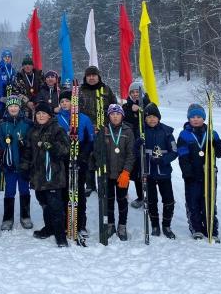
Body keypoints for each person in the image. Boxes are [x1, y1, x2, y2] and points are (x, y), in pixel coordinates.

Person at [20, 101, 70, 247]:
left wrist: (51, 145)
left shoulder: (57, 129)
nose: (41, 116)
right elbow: (28, 151)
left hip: (53, 175)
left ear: (49, 115)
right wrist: (24, 167)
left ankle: (60, 235)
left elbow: (65, 149)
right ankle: (49, 228)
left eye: (44, 114)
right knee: (44, 203)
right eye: (39, 113)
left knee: (55, 206)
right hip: (38, 175)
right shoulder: (33, 131)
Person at [177, 103, 221, 241]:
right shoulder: (184, 135)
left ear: (204, 118)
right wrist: (187, 172)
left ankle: (211, 229)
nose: (196, 119)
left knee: (209, 202)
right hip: (192, 175)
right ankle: (196, 228)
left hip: (209, 174)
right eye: (192, 117)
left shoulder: (212, 133)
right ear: (188, 118)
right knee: (193, 201)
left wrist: (217, 145)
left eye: (199, 116)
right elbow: (183, 156)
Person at [89, 104, 135, 241]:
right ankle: (110, 224)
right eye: (112, 114)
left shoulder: (127, 131)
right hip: (106, 174)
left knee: (122, 200)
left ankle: (122, 225)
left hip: (122, 174)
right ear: (108, 116)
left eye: (118, 114)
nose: (115, 116)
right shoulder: (103, 131)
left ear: (122, 115)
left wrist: (126, 172)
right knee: (108, 200)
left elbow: (131, 154)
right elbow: (96, 152)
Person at [56, 90, 95, 238]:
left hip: (79, 160)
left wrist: (83, 156)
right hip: (63, 161)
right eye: (62, 101)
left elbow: (90, 140)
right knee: (65, 191)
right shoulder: (56, 118)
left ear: (74, 102)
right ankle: (67, 222)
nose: (65, 103)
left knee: (78, 191)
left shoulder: (83, 118)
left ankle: (81, 224)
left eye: (67, 101)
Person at [78, 66, 117, 196]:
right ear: (85, 77)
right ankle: (89, 185)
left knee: (102, 157)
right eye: (89, 75)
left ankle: (103, 184)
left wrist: (108, 124)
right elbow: (75, 111)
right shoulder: (79, 91)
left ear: (98, 76)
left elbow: (114, 109)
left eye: (94, 75)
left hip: (103, 129)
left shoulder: (106, 90)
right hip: (86, 130)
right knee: (88, 157)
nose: (92, 77)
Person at [0, 96, 33, 231]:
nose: (13, 108)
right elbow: (0, 143)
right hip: (9, 164)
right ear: (7, 108)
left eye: (16, 106)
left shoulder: (27, 123)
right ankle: (8, 218)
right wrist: (2, 143)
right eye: (11, 106)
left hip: (23, 164)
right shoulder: (2, 124)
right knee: (9, 191)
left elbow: (31, 142)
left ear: (19, 108)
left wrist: (24, 143)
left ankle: (25, 215)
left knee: (24, 190)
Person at [142, 103, 177, 239]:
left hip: (164, 172)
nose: (151, 119)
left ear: (159, 118)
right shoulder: (142, 131)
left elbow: (174, 151)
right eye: (149, 117)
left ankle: (166, 225)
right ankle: (155, 225)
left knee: (168, 200)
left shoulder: (167, 132)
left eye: (154, 117)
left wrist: (163, 160)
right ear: (145, 119)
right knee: (151, 200)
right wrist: (138, 145)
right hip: (148, 172)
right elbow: (135, 151)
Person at [122, 82, 151, 209]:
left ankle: (145, 197)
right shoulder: (125, 106)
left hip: (145, 142)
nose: (135, 94)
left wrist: (141, 110)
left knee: (143, 171)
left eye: (137, 92)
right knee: (130, 169)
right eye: (132, 92)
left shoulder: (149, 105)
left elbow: (154, 119)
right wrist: (131, 109)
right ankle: (129, 194)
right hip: (130, 142)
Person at [0, 49, 16, 120]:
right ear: (2, 58)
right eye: (5, 57)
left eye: (9, 57)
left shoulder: (13, 71)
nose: (7, 59)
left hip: (10, 102)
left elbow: (16, 86)